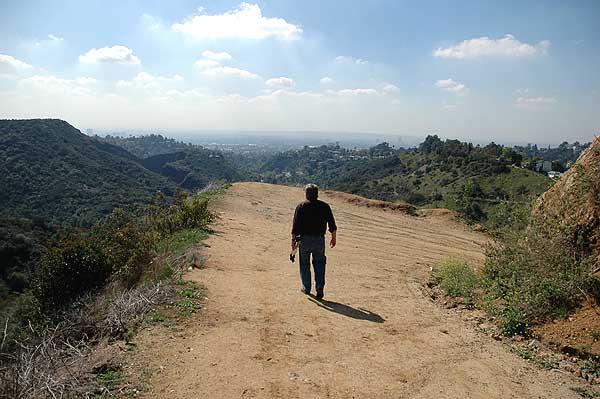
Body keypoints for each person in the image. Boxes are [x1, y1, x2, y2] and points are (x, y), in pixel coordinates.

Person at [291, 184, 337, 299]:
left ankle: (306, 288)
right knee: (320, 263)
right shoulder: (325, 206)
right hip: (319, 240)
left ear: (306, 194)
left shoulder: (301, 206)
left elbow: (295, 226)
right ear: (317, 194)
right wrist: (333, 237)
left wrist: (293, 241)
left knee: (304, 264)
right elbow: (332, 224)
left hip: (304, 240)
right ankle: (319, 287)